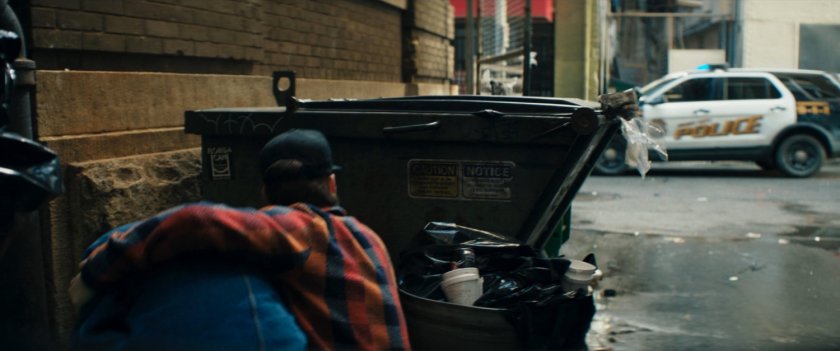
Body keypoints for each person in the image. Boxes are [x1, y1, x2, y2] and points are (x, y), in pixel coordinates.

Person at [69, 129, 411, 350]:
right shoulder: (370, 237)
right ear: (332, 184)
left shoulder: (300, 228)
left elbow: (195, 219)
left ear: (265, 192)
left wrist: (95, 271)